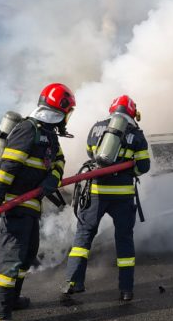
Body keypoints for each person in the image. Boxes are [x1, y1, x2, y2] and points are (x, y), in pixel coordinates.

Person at [0, 83, 75, 321]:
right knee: (11, 258)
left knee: (27, 253)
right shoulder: (27, 129)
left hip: (31, 204)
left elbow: (59, 161)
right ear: (62, 109)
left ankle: (12, 299)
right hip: (15, 203)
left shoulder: (48, 135)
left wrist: (52, 179)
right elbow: (10, 165)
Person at [62, 94, 150, 303]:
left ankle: (73, 282)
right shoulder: (136, 134)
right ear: (132, 112)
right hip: (123, 196)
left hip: (96, 193)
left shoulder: (96, 128)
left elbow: (91, 154)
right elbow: (143, 167)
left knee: (83, 238)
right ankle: (126, 289)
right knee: (124, 241)